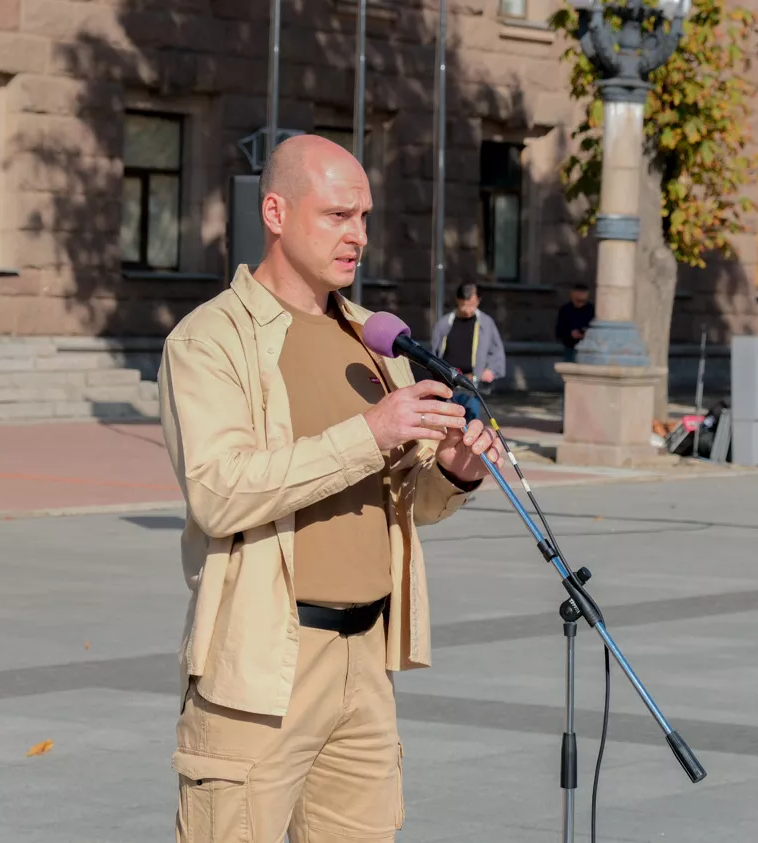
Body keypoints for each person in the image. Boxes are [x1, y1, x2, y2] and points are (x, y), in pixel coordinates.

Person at [157, 134, 505, 843]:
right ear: (277, 212)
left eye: (366, 217)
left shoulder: (373, 340)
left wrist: (453, 470)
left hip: (366, 662)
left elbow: (404, 503)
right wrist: (369, 433)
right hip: (262, 664)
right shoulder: (211, 340)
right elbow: (219, 490)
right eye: (339, 215)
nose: (360, 236)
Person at [428, 282, 506, 422]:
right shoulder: (445, 323)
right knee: (446, 424)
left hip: (471, 385)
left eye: (472, 305)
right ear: (458, 300)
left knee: (471, 423)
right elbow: (434, 352)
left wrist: (491, 370)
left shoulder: (486, 323)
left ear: (478, 301)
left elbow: (497, 351)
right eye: (465, 305)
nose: (469, 310)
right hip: (448, 382)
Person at [555, 283, 594, 363]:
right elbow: (559, 331)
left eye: (584, 292)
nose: (582, 295)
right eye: (579, 292)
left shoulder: (591, 310)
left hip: (588, 349)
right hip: (570, 347)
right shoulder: (565, 310)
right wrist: (571, 334)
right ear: (572, 294)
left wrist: (587, 332)